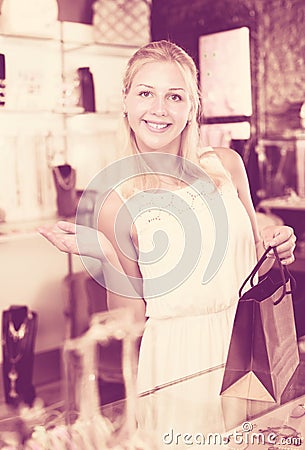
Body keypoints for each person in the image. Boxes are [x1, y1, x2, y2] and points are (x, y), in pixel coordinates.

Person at [39, 40, 296, 447]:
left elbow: (258, 270)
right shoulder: (112, 197)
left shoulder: (227, 165)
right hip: (180, 363)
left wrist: (278, 246)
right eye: (146, 93)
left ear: (192, 106)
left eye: (174, 96)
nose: (159, 109)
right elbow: (131, 322)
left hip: (251, 349)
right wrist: (105, 253)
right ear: (125, 101)